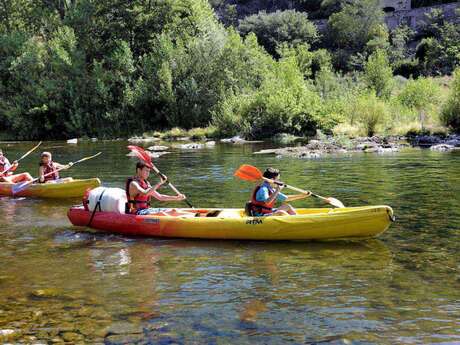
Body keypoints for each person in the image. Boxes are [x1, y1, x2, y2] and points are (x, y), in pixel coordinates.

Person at [126, 162, 191, 216]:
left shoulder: (146, 183)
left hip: (147, 210)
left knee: (174, 211)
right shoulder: (134, 184)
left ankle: (195, 216)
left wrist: (177, 198)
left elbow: (160, 197)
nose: (148, 173)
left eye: (149, 171)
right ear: (139, 170)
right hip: (137, 212)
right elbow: (145, 193)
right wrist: (159, 183)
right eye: (146, 171)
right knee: (162, 214)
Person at [246, 167, 311, 217]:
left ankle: (298, 220)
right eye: (278, 179)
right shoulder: (264, 189)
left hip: (268, 212)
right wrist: (277, 190)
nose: (279, 181)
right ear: (272, 180)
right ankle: (295, 224)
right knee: (281, 212)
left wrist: (304, 195)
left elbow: (287, 198)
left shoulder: (271, 189)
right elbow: (267, 202)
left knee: (287, 206)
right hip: (260, 216)